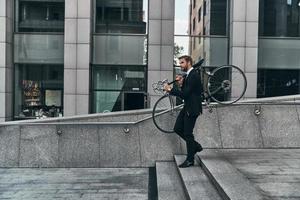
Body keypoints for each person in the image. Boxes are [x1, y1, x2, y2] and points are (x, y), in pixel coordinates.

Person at [164, 55, 203, 168]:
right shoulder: (189, 75)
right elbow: (186, 92)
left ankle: (190, 159)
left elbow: (185, 94)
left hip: (192, 108)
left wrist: (170, 89)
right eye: (180, 63)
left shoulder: (193, 75)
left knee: (187, 133)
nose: (180, 65)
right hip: (187, 106)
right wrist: (180, 84)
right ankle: (195, 146)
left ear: (189, 62)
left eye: (182, 63)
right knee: (177, 128)